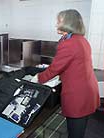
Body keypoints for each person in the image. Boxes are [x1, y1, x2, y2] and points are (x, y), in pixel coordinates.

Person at [38, 9, 100, 138]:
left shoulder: (70, 43)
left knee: (75, 132)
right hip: (87, 91)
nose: (56, 25)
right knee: (78, 128)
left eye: (59, 21)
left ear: (68, 23)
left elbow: (55, 68)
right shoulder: (80, 39)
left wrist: (37, 78)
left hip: (78, 96)